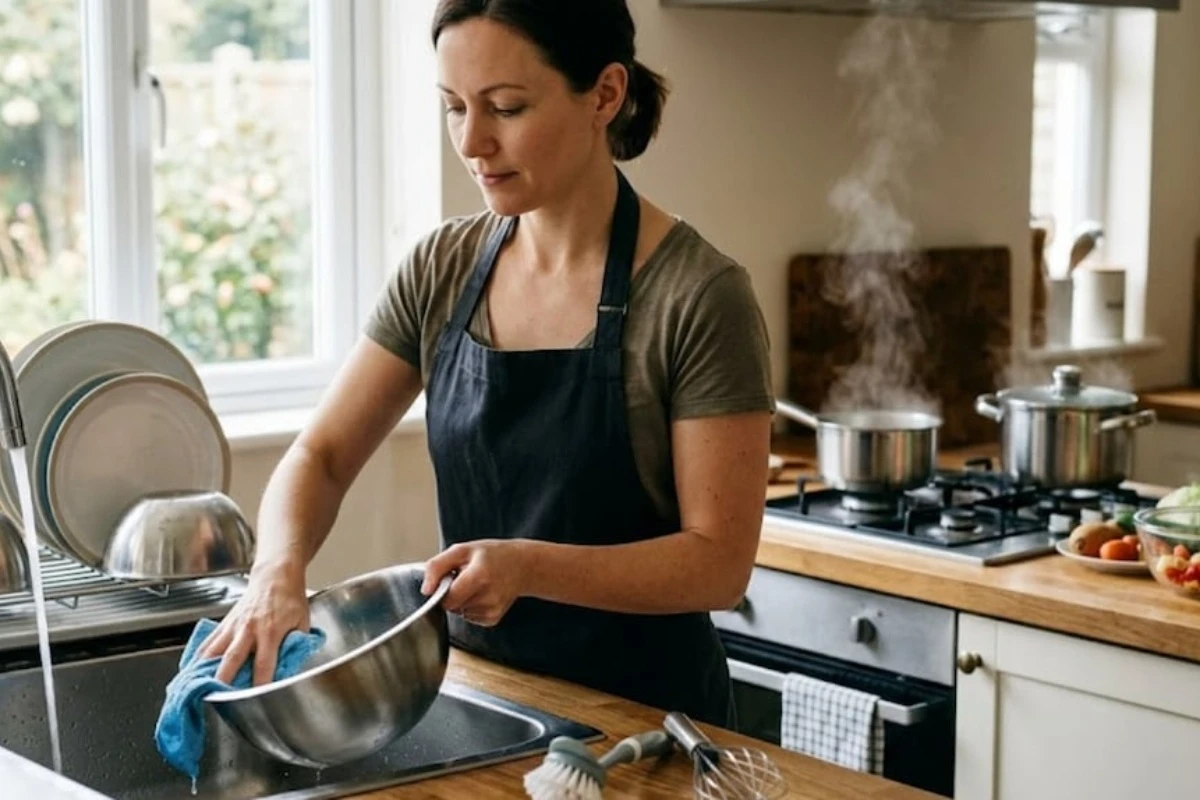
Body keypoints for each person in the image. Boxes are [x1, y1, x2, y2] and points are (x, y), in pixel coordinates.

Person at [201, 0, 774, 726]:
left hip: (650, 726)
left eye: (506, 107)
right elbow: (322, 453)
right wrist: (274, 574)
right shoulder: (441, 269)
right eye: (452, 107)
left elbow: (718, 564)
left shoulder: (698, 296)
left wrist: (527, 569)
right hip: (482, 701)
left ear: (605, 94)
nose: (472, 142)